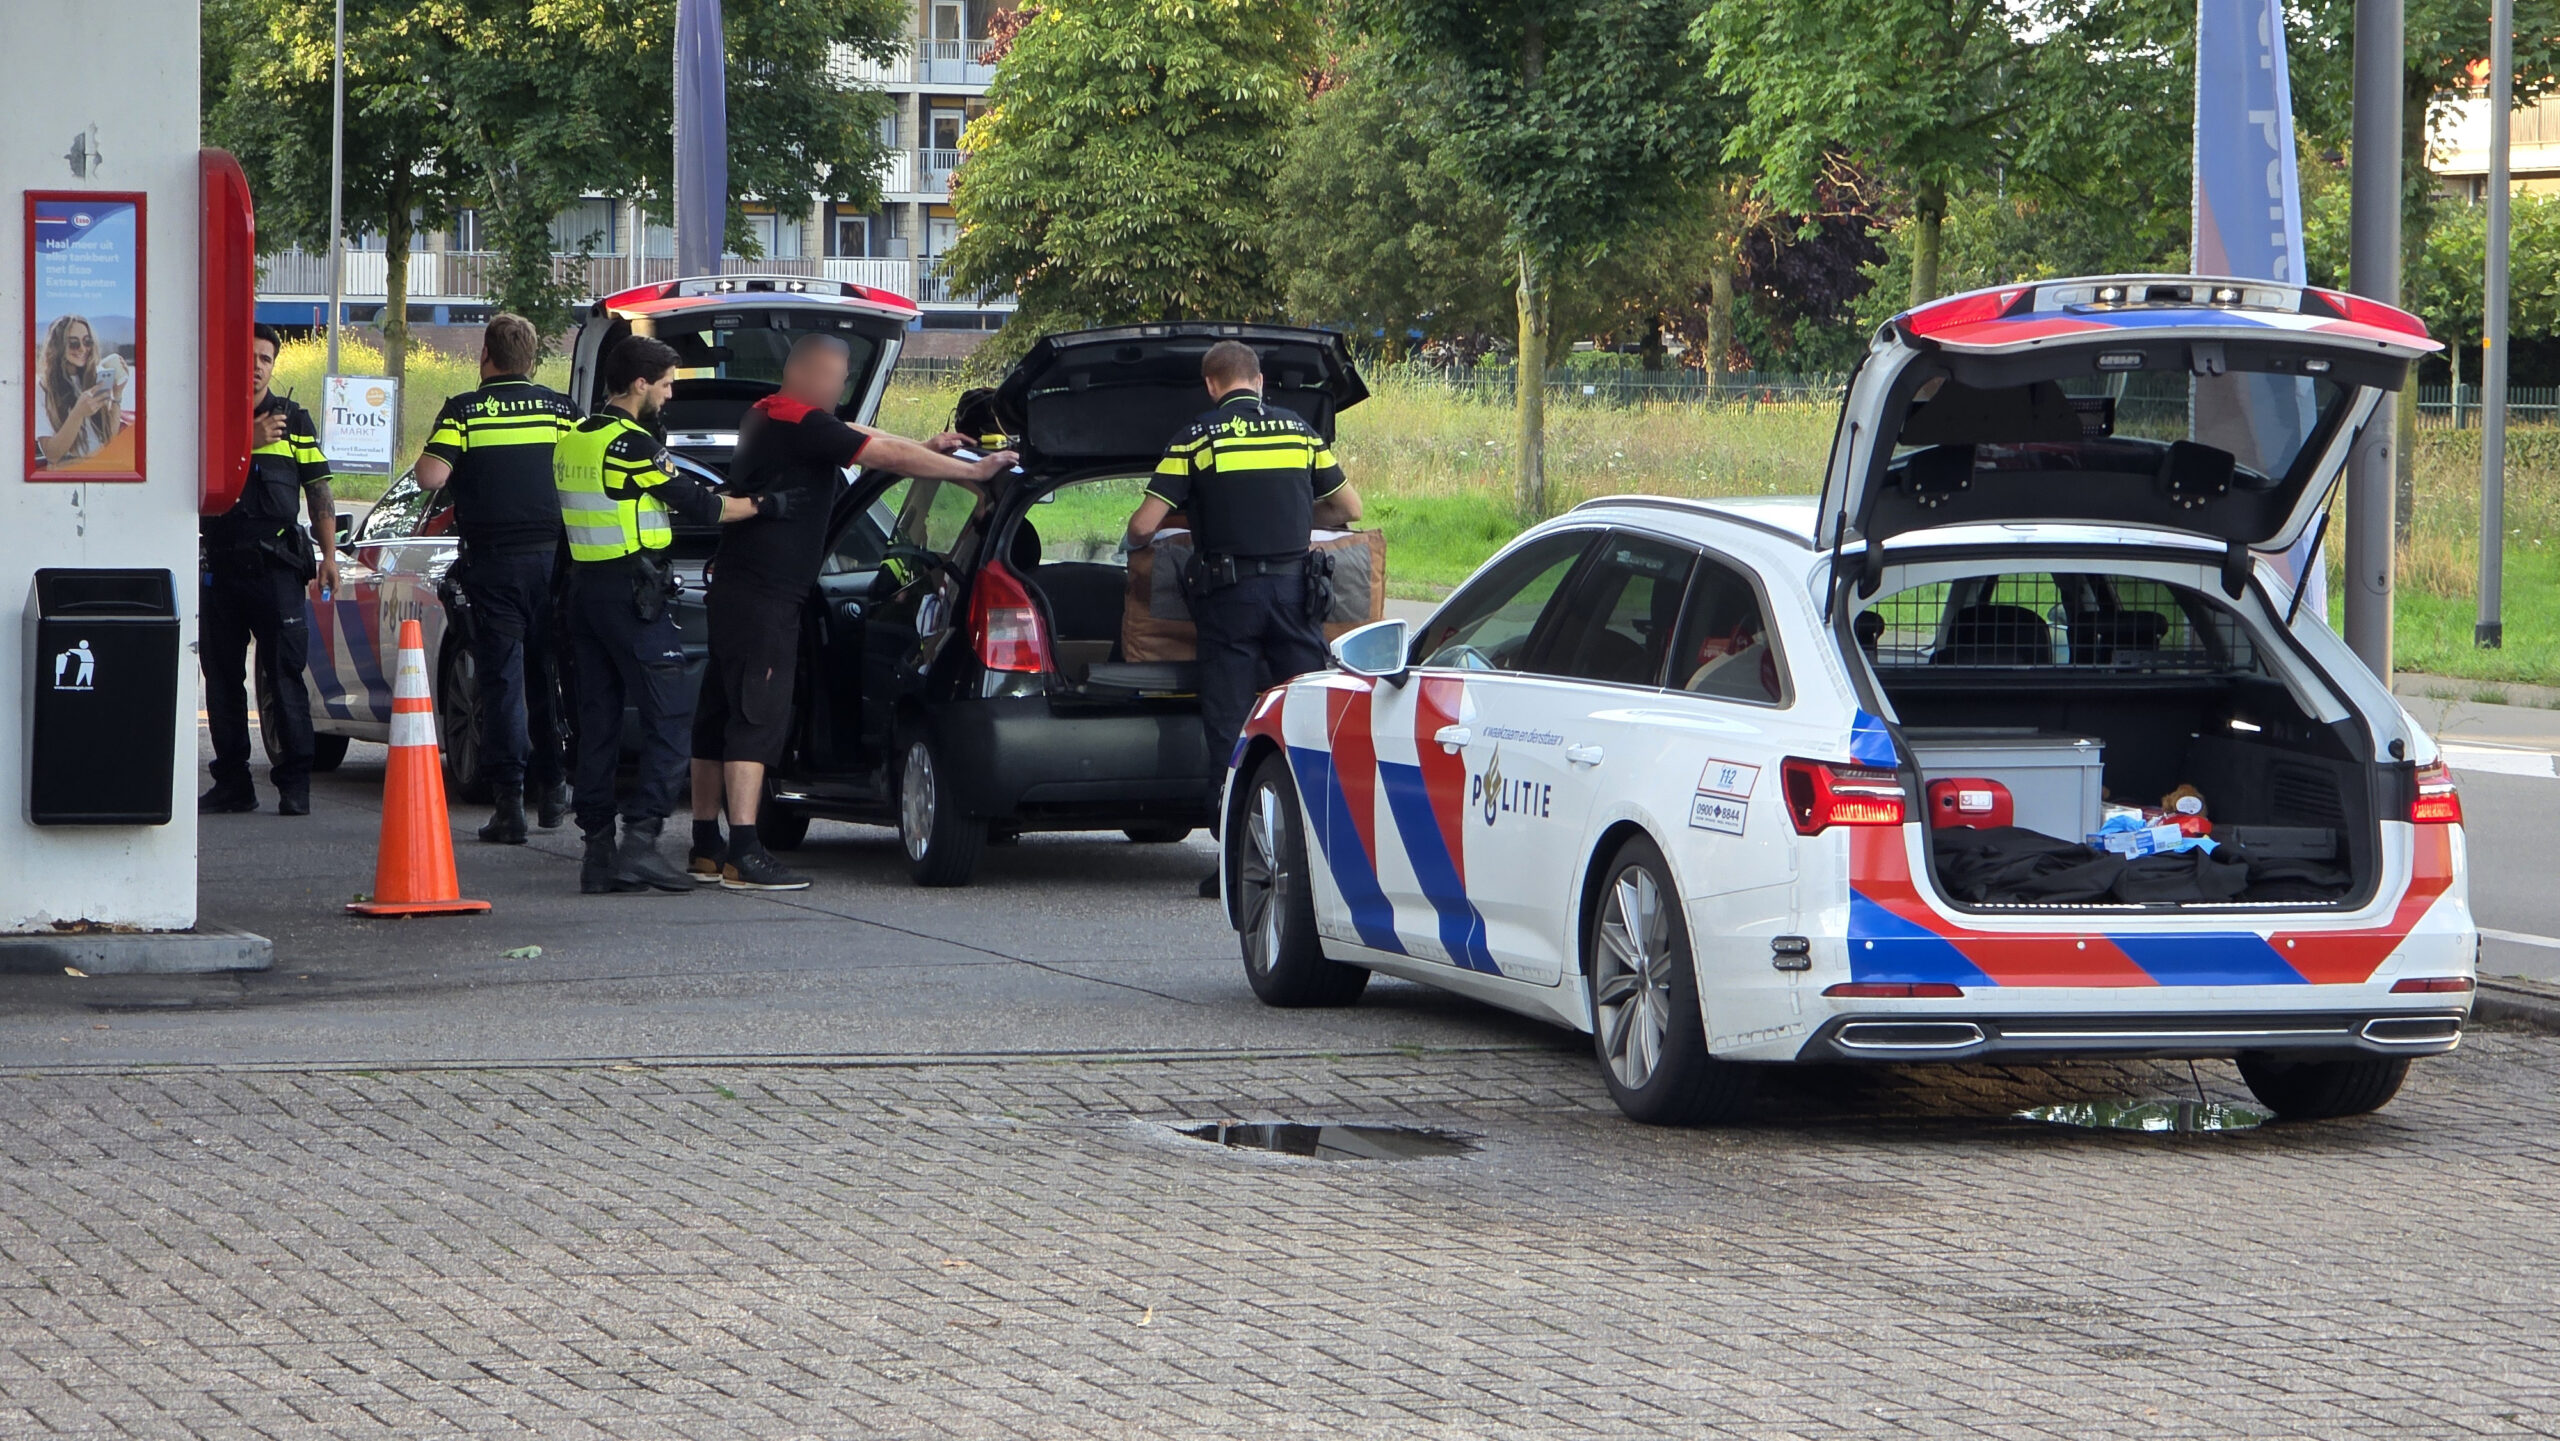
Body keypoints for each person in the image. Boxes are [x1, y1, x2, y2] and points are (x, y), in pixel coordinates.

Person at [684, 333, 1017, 890]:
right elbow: (874, 451)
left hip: (740, 592)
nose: (841, 389)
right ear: (813, 374)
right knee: (756, 717)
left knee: (718, 712)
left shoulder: (771, 414)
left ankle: (705, 844)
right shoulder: (801, 424)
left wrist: (926, 445)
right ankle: (743, 849)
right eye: (838, 379)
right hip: (765, 598)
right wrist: (971, 473)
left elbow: (859, 435)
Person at [1125, 340, 1362, 896]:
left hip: (1228, 601)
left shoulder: (1195, 437)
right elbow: (1348, 509)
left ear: (1212, 385)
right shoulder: (1302, 433)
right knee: (1303, 724)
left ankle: (1235, 866)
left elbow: (1142, 526)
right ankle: (1318, 866)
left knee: (1232, 729)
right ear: (1259, 381)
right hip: (1294, 595)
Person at [555, 336, 782, 894]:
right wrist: (769, 504)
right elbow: (703, 504)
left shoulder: (574, 440)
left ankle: (599, 855)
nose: (671, 392)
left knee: (599, 726)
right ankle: (642, 839)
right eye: (666, 383)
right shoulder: (630, 444)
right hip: (633, 595)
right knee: (672, 718)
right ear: (640, 385)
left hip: (584, 594)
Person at [414, 314, 580, 844]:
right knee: (546, 672)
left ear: (486, 356)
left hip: (494, 562)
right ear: (531, 360)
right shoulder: (560, 410)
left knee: (502, 679)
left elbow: (430, 475)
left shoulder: (464, 410)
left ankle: (510, 805)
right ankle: (554, 790)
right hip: (553, 560)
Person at [200, 324, 339, 816]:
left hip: (277, 570)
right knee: (221, 680)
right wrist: (247, 438)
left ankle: (294, 783)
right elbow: (194, 474)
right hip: (221, 568)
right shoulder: (211, 414)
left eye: (266, 358)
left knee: (284, 677)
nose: (258, 365)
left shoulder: (294, 419)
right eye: (251, 356)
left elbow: (319, 489)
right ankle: (234, 781)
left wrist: (329, 557)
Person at [36, 314, 127, 466]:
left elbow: (108, 437)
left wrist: (117, 394)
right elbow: (52, 455)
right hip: (72, 471)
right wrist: (78, 413)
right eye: (73, 343)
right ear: (58, 346)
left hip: (102, 466)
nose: (83, 349)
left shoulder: (93, 378)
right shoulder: (43, 388)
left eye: (87, 342)